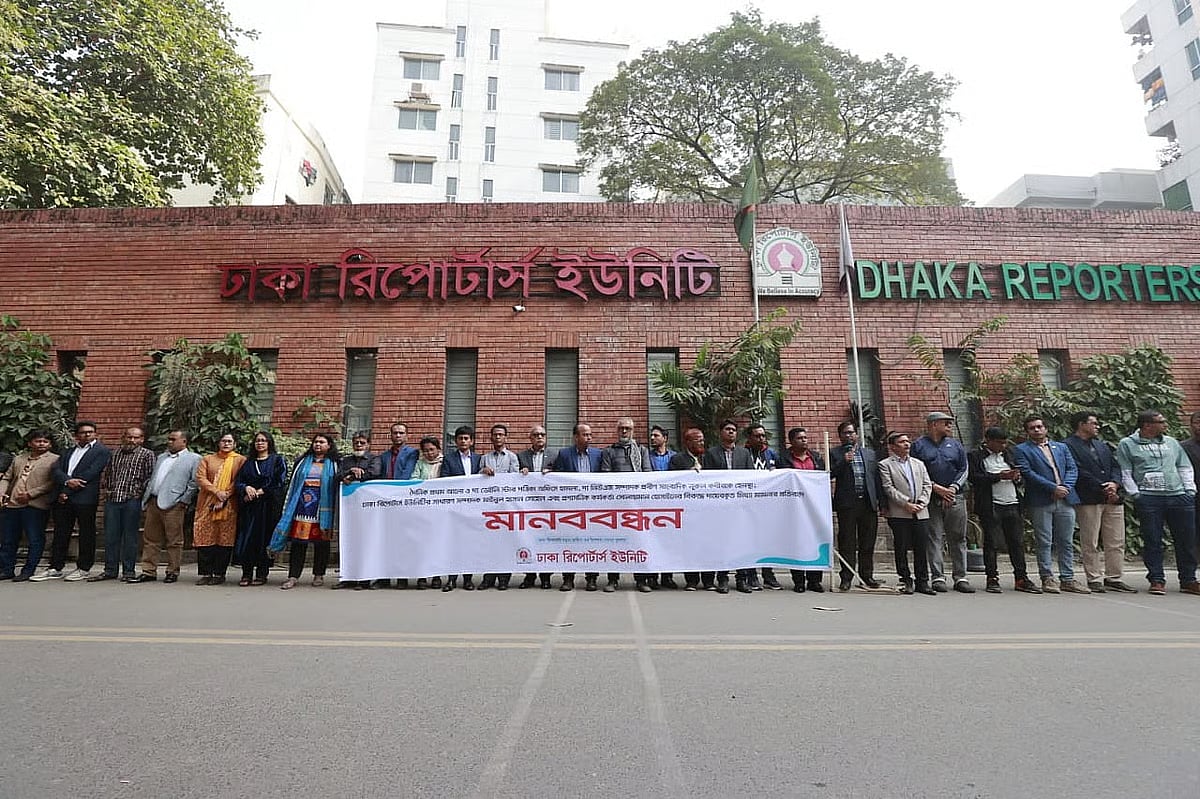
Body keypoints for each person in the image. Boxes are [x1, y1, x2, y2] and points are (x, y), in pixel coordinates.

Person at [1115, 409, 1199, 596]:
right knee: (1153, 540)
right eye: (1161, 422)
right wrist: (1136, 494)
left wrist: (1189, 490)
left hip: (1179, 496)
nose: (1165, 424)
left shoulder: (1171, 442)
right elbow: (1126, 472)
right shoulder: (1127, 444)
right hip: (1149, 498)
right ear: (1147, 425)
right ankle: (1157, 579)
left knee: (1186, 540)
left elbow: (1184, 466)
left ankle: (1189, 580)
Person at [1065, 412, 1136, 594]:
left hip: (1113, 498)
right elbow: (1078, 470)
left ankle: (1114, 577)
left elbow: (1115, 466)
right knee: (1090, 541)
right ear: (1081, 424)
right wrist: (1102, 486)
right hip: (1089, 498)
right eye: (1093, 423)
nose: (1097, 426)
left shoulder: (1101, 445)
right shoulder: (1068, 445)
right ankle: (1094, 578)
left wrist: (1115, 484)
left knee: (1116, 540)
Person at [1013, 416, 1083, 594]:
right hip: (1041, 500)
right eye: (1032, 428)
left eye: (1039, 426)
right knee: (1044, 540)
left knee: (1066, 541)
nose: (1037, 430)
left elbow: (1072, 468)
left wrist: (1065, 487)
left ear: (1046, 428)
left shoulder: (1061, 447)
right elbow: (1028, 472)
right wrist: (1053, 488)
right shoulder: (1022, 450)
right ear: (1027, 432)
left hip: (1065, 499)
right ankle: (1047, 577)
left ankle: (1067, 578)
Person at [36, 420, 111, 581]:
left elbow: (90, 473)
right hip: (64, 497)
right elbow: (56, 470)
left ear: (95, 434)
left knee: (86, 533)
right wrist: (66, 483)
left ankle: (83, 568)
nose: (87, 435)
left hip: (85, 498)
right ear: (76, 435)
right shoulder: (68, 451)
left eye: (90, 432)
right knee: (61, 532)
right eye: (83, 432)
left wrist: (67, 491)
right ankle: (55, 567)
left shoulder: (102, 451)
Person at [968, 428, 1039, 594]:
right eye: (999, 442)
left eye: (1005, 442)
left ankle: (1021, 578)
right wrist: (998, 476)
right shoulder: (975, 456)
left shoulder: (1009, 454)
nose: (1003, 446)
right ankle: (992, 577)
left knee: (1016, 542)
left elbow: (1020, 476)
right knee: (991, 543)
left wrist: (1016, 477)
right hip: (991, 504)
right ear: (988, 441)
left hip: (1012, 502)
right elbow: (974, 478)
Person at [911, 411, 973, 593]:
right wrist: (936, 488)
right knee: (934, 537)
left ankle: (961, 577)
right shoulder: (918, 446)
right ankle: (938, 576)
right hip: (930, 498)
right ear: (933, 424)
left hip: (955, 496)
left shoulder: (955, 445)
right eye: (945, 423)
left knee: (958, 537)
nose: (949, 426)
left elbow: (964, 468)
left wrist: (952, 488)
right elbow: (916, 471)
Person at [269, 433, 340, 590]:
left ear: (329, 445)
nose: (318, 444)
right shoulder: (302, 461)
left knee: (322, 543)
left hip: (323, 508)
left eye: (322, 442)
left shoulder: (335, 464)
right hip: (302, 507)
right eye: (315, 442)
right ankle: (293, 576)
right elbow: (294, 483)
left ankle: (319, 575)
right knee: (298, 543)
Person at [132, 430, 201, 583]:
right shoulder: (162, 457)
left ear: (184, 441)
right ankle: (149, 571)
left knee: (174, 540)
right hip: (154, 501)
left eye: (173, 439)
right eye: (168, 439)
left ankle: (172, 571)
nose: (169, 442)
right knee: (150, 539)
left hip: (174, 504)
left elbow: (194, 482)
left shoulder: (193, 458)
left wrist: (184, 500)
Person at [90, 427, 155, 582]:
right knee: (110, 537)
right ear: (123, 437)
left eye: (136, 438)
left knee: (130, 537)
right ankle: (110, 570)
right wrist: (108, 490)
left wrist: (138, 493)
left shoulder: (147, 454)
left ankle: (128, 571)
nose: (132, 440)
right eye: (129, 437)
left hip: (132, 500)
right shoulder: (115, 453)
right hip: (113, 500)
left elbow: (150, 477)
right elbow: (108, 473)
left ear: (142, 439)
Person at [878, 431, 936, 595]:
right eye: (902, 442)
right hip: (900, 512)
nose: (906, 444)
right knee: (901, 546)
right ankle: (905, 579)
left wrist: (922, 502)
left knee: (921, 547)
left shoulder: (918, 463)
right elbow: (888, 488)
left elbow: (927, 484)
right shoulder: (885, 464)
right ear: (892, 447)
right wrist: (906, 503)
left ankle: (922, 581)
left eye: (907, 441)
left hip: (921, 511)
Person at [599, 416, 653, 592]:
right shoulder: (609, 451)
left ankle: (641, 580)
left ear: (632, 431)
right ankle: (612, 580)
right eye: (621, 428)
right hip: (616, 505)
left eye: (627, 428)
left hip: (637, 504)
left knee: (639, 542)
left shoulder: (642, 451)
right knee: (615, 542)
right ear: (617, 431)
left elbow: (647, 473)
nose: (624, 431)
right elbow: (605, 475)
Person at [669, 428, 726, 593]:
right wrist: (687, 475)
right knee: (690, 546)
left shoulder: (710, 457)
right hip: (689, 511)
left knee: (708, 546)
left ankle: (709, 580)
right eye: (698, 440)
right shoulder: (677, 459)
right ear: (688, 442)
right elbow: (671, 481)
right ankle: (691, 580)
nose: (702, 443)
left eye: (702, 440)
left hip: (709, 511)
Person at [829, 421, 882, 592]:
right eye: (845, 433)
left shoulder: (869, 453)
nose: (849, 436)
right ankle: (846, 577)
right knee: (847, 542)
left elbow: (876, 479)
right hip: (847, 504)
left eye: (851, 432)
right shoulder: (834, 453)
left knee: (868, 542)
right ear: (840, 436)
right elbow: (829, 474)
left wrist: (882, 503)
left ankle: (867, 576)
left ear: (857, 434)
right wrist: (844, 461)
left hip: (868, 503)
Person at [0, 429, 60, 582]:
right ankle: (6, 569)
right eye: (38, 441)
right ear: (30, 443)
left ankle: (28, 570)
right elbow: (7, 478)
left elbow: (52, 482)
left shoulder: (55, 460)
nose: (41, 444)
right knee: (8, 539)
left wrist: (31, 494)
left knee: (35, 539)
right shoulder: (19, 459)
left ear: (50, 444)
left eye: (45, 441)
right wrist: (1, 493)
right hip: (12, 504)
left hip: (35, 505)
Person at [704, 419, 755, 593]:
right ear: (721, 433)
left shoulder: (744, 453)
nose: (731, 432)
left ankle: (742, 579)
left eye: (733, 429)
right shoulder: (711, 453)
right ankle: (723, 579)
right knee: (723, 543)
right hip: (720, 506)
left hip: (740, 506)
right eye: (727, 429)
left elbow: (751, 478)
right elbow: (708, 479)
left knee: (742, 543)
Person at [776, 426, 827, 593]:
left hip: (814, 506)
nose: (804, 440)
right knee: (797, 542)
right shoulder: (783, 459)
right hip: (794, 507)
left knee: (815, 541)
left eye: (805, 437)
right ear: (791, 441)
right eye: (800, 438)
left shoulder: (816, 457)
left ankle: (815, 580)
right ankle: (798, 580)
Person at [552, 423, 602, 591]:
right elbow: (557, 477)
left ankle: (592, 578)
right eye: (585, 434)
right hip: (571, 508)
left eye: (590, 434)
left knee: (593, 542)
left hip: (593, 507)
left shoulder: (598, 454)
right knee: (569, 542)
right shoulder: (564, 454)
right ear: (576, 437)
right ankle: (568, 578)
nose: (589, 437)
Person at [192, 433, 247, 586]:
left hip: (229, 506)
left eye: (229, 441)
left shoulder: (240, 460)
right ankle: (206, 573)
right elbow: (201, 478)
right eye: (223, 441)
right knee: (204, 538)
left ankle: (219, 573)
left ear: (234, 444)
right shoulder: (208, 459)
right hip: (206, 504)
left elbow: (239, 480)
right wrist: (217, 492)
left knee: (224, 540)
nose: (226, 444)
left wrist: (226, 495)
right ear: (219, 443)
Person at [234, 430, 288, 587]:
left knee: (264, 540)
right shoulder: (248, 462)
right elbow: (238, 481)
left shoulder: (277, 460)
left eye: (263, 440)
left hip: (268, 506)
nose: (260, 443)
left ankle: (262, 574)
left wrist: (261, 491)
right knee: (247, 539)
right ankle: (246, 573)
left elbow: (279, 481)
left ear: (269, 443)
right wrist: (246, 488)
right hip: (250, 507)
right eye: (258, 440)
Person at [478, 423, 520, 590]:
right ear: (491, 437)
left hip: (506, 505)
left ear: (506, 438)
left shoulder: (512, 457)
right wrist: (483, 471)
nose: (497, 437)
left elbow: (515, 479)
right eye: (495, 434)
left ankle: (504, 578)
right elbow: (477, 479)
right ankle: (488, 578)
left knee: (506, 543)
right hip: (489, 505)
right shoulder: (484, 458)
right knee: (489, 543)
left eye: (501, 434)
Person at [440, 425, 482, 591]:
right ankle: (451, 579)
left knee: (469, 544)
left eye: (466, 438)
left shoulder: (479, 459)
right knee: (453, 545)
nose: (463, 441)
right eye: (460, 438)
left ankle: (468, 579)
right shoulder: (449, 459)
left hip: (473, 508)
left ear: (471, 441)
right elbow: (444, 480)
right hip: (455, 508)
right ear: (456, 441)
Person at [745, 422, 782, 590]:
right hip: (749, 505)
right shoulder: (743, 454)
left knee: (768, 540)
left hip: (768, 505)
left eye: (763, 435)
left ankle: (768, 574)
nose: (761, 439)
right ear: (749, 438)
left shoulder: (771, 454)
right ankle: (751, 575)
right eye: (757, 436)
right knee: (750, 540)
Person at [517, 425, 553, 589]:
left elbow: (562, 474)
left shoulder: (554, 455)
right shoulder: (521, 456)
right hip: (528, 505)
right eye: (536, 435)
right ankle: (529, 576)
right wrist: (521, 472)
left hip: (547, 505)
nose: (539, 437)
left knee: (546, 541)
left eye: (542, 435)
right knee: (528, 539)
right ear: (530, 438)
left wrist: (552, 473)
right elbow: (514, 477)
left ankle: (546, 577)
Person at [408, 435, 444, 590]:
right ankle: (422, 575)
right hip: (422, 508)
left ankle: (436, 575)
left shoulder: (444, 463)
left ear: (438, 449)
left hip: (440, 510)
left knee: (437, 542)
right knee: (422, 543)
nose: (429, 453)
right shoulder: (420, 464)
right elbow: (413, 479)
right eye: (426, 450)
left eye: (432, 449)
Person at [647, 425, 678, 589]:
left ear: (665, 438)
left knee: (669, 543)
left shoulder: (675, 457)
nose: (652, 438)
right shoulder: (646, 456)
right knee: (652, 542)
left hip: (670, 505)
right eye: (651, 436)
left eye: (656, 435)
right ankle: (652, 577)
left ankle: (667, 576)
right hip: (651, 505)